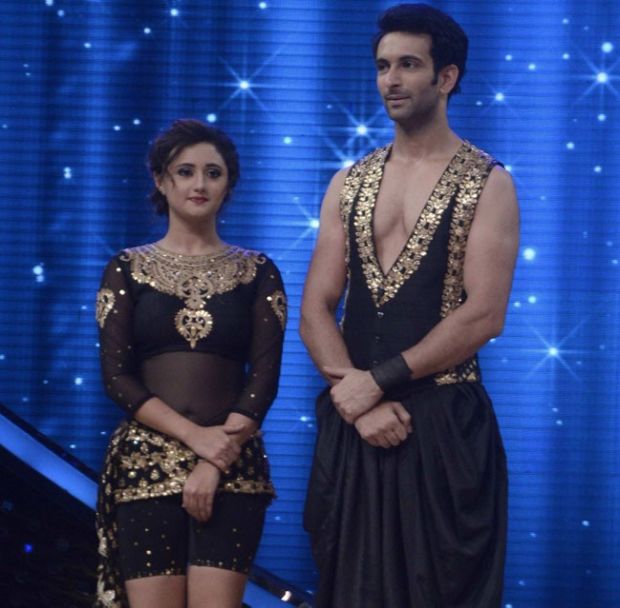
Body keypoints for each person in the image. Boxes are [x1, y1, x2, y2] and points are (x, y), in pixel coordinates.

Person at [301, 4, 519, 607]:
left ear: (446, 77)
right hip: (356, 424)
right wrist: (356, 399)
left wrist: (376, 384)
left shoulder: (489, 182)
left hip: (444, 426)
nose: (390, 81)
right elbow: (316, 307)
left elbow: (485, 314)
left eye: (408, 65)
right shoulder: (348, 181)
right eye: (382, 66)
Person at [94, 118, 286, 608]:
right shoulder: (127, 269)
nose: (199, 184)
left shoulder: (258, 271)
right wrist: (196, 439)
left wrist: (215, 457)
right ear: (161, 180)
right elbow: (116, 378)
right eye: (185, 171)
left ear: (229, 184)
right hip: (145, 464)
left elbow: (264, 379)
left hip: (232, 465)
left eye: (213, 173)